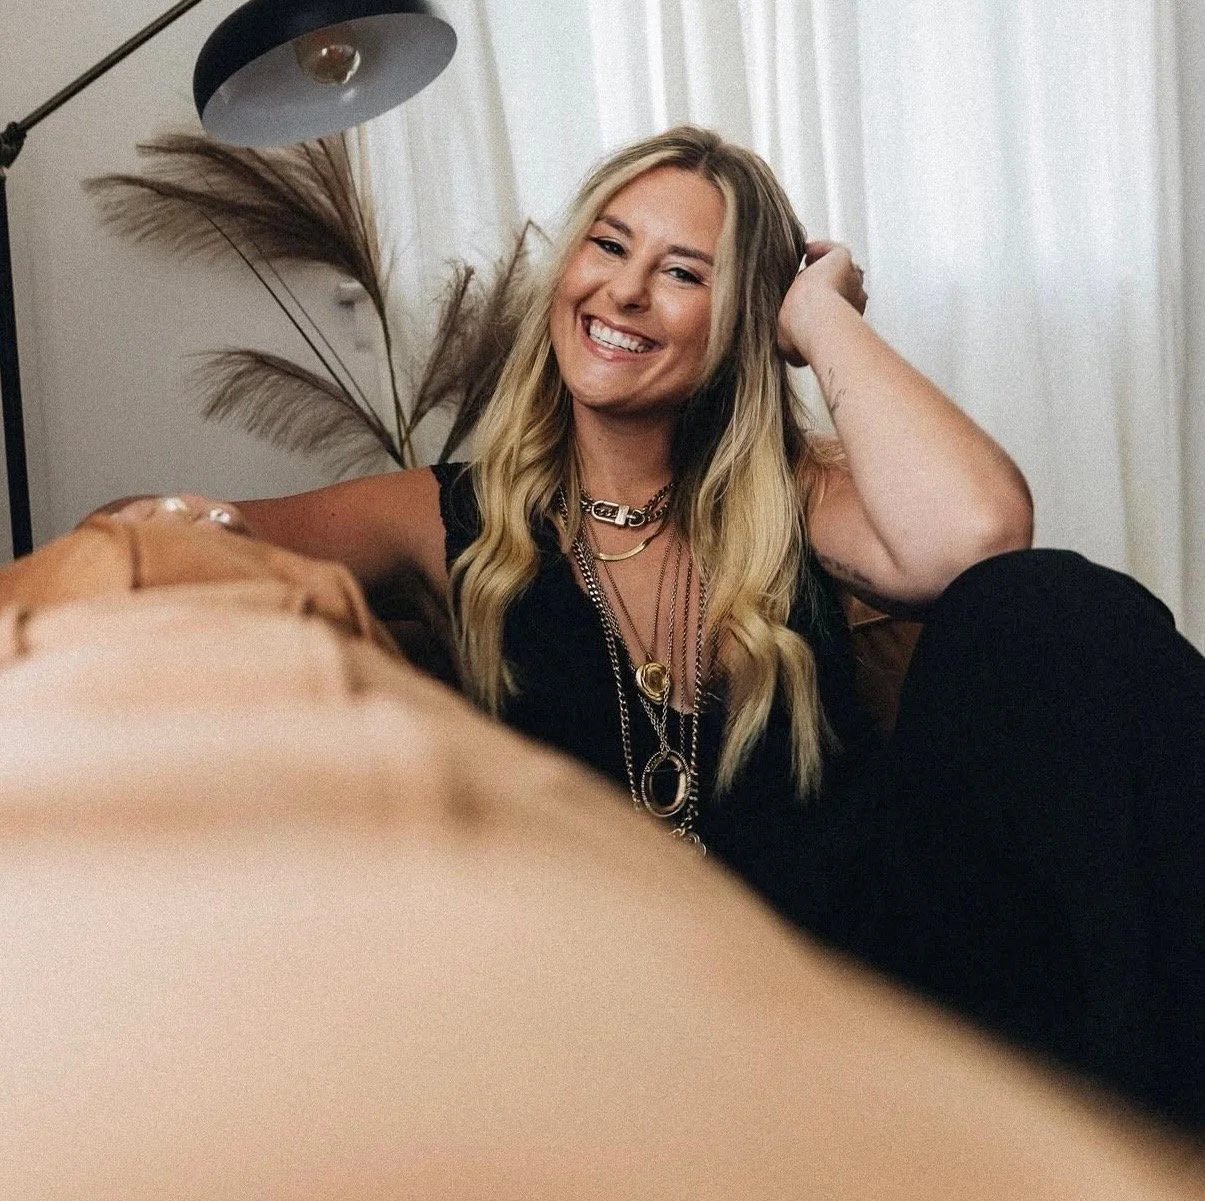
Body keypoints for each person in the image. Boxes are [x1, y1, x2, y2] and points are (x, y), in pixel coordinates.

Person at [109, 126, 1204, 1130]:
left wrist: (818, 317)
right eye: (608, 246)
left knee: (1047, 608)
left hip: (880, 986)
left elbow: (978, 536)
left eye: (682, 274)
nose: (623, 293)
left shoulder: (798, 497)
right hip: (626, 1030)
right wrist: (199, 538)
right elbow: (144, 541)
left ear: (739, 323)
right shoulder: (445, 518)